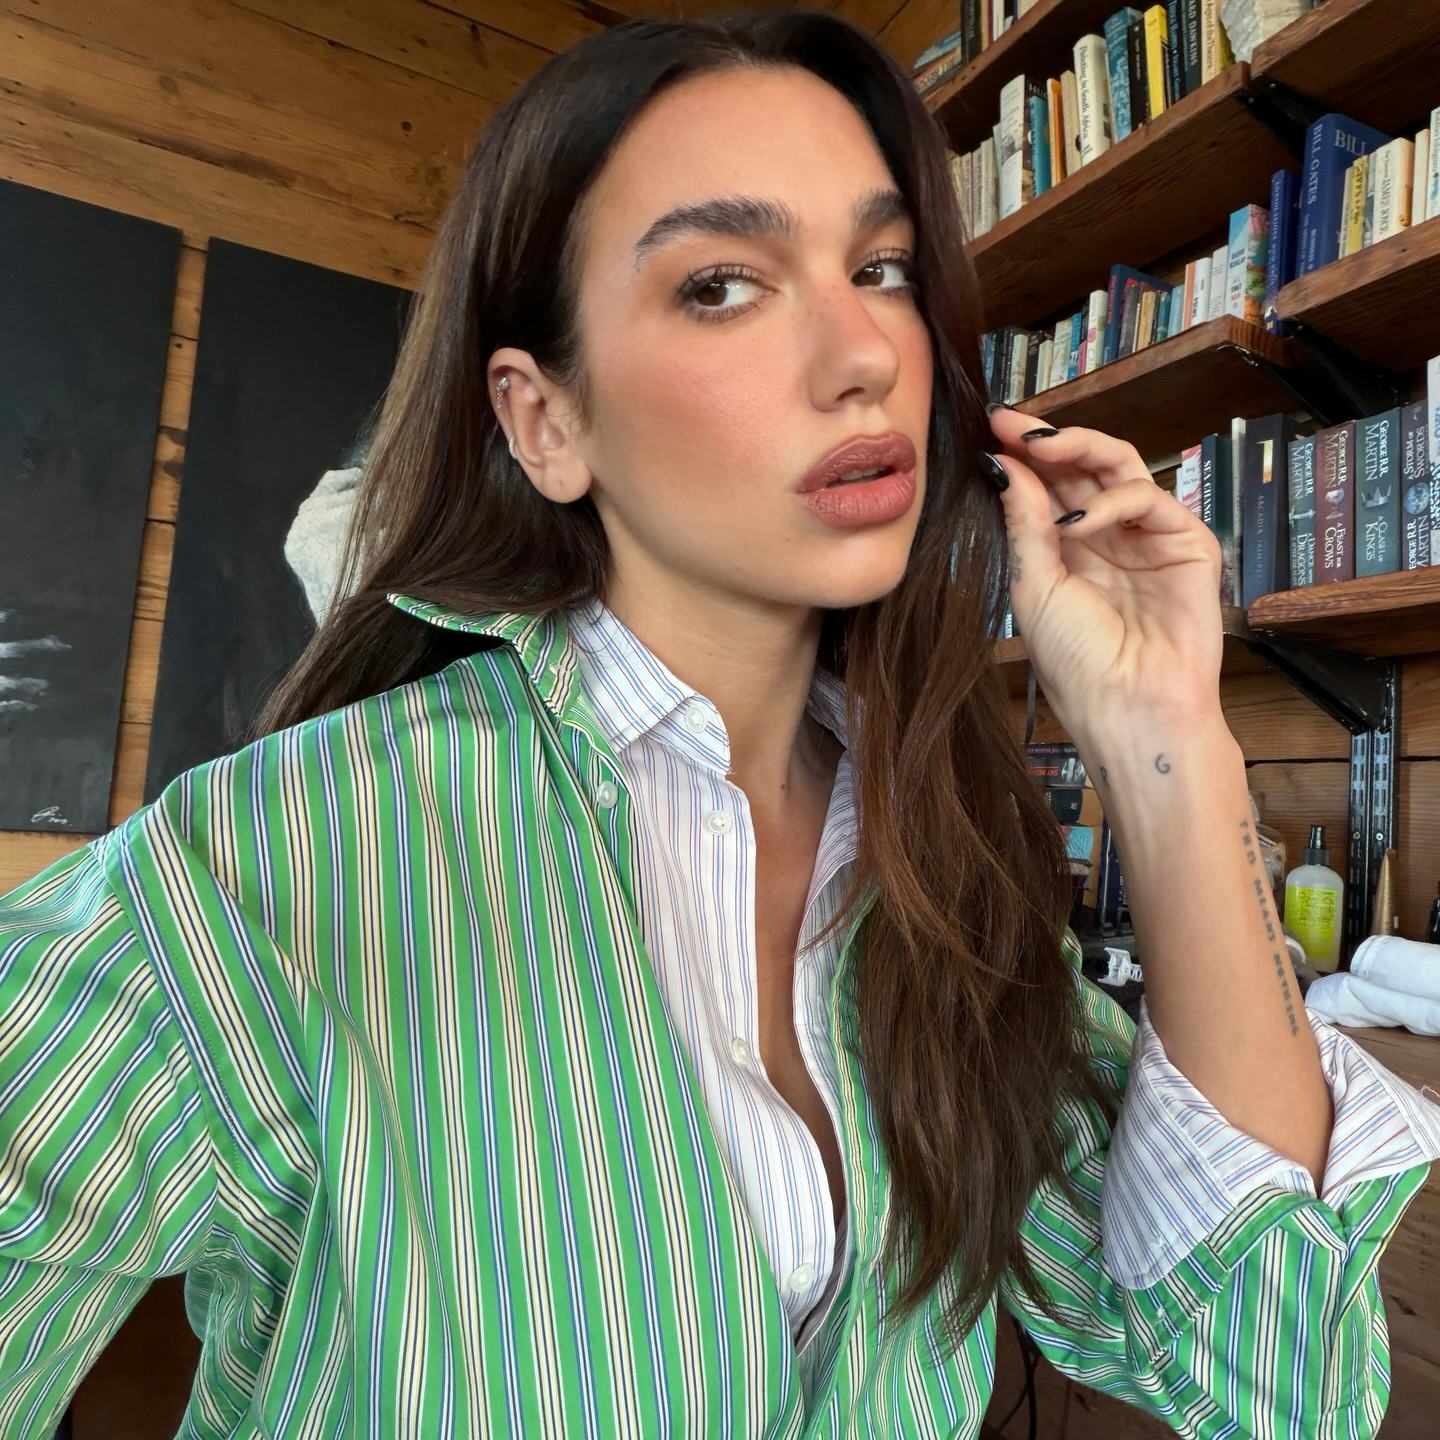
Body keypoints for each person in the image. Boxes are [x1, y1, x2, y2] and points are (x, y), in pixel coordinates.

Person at [2, 10, 1437, 1437]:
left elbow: (1268, 1376)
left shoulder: (942, 865)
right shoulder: (272, 864)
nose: (862, 354)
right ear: (545, 422)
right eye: (722, 286)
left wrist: (1168, 738)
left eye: (881, 268)